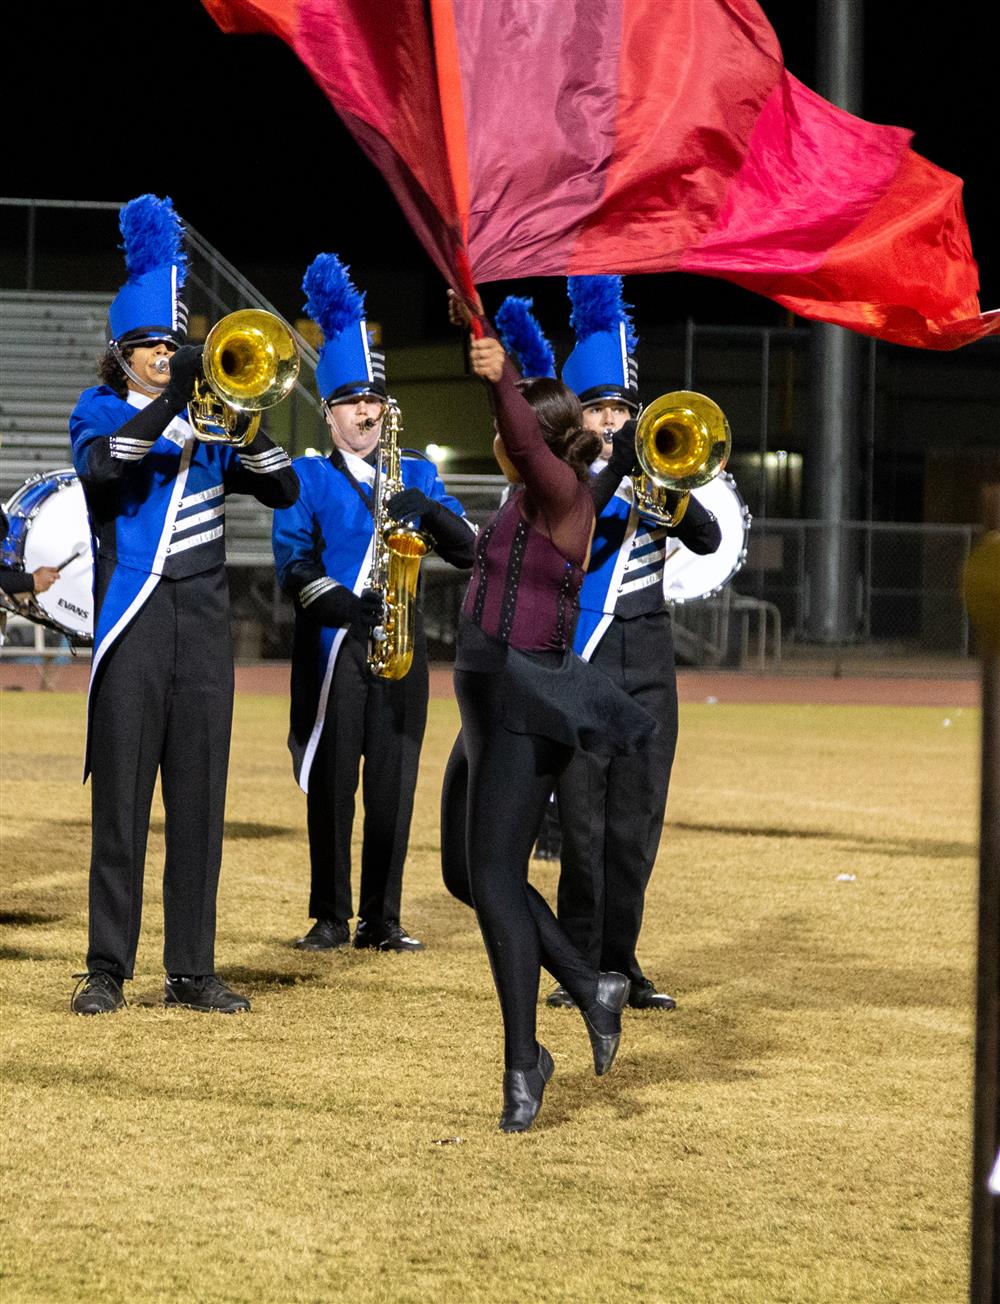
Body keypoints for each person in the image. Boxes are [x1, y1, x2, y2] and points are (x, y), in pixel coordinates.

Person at [68, 195, 300, 1016]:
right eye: (153, 349)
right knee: (122, 802)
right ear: (122, 354)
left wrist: (239, 418)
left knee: (200, 801)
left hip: (204, 623)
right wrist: (179, 403)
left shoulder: (212, 424)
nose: (167, 358)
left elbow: (286, 487)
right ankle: (106, 965)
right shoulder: (100, 411)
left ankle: (193, 969)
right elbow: (107, 468)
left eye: (174, 348)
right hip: (133, 620)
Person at [440, 291, 657, 1133]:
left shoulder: (558, 486)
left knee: (495, 879)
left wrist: (496, 376)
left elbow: (528, 432)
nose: (504, 445)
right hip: (485, 701)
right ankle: (589, 980)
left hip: (523, 699)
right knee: (466, 875)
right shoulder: (557, 487)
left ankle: (526, 1058)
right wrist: (484, 330)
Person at [272, 254, 475, 956]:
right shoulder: (305, 478)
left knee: (393, 785)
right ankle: (329, 916)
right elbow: (291, 568)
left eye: (374, 399)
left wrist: (432, 512)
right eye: (352, 400)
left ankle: (382, 920)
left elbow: (470, 552)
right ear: (328, 414)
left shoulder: (416, 471)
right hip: (335, 652)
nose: (367, 409)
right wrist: (346, 609)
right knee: (332, 789)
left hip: (403, 651)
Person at [546, 276, 722, 1013]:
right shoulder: (556, 479)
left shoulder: (653, 472)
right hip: (584, 659)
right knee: (582, 825)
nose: (614, 419)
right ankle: (579, 966)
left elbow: (708, 540)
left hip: (647, 656)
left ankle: (623, 961)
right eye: (600, 406)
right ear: (577, 413)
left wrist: (673, 495)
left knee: (636, 822)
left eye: (622, 406)